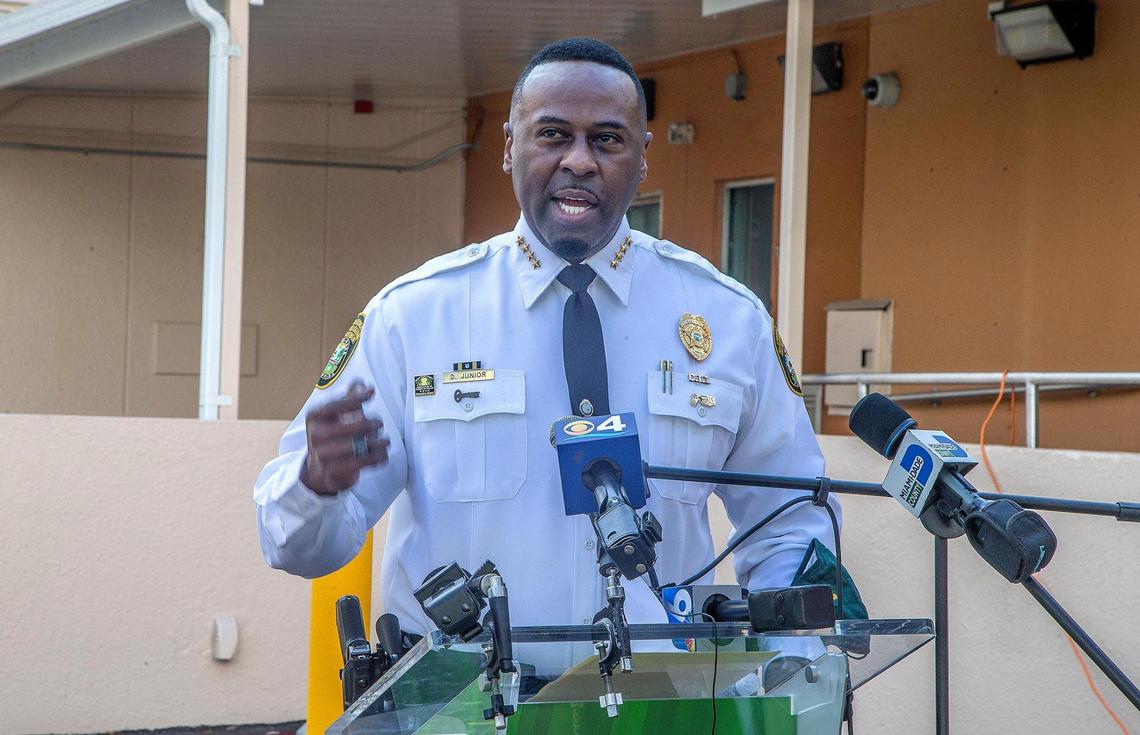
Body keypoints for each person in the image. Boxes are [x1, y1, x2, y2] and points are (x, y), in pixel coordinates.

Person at [253, 37, 839, 637]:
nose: (579, 161)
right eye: (553, 134)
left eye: (607, 139)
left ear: (643, 157)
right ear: (509, 148)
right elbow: (299, 550)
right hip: (466, 713)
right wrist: (316, 489)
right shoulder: (415, 317)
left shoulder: (727, 320)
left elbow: (791, 523)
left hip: (657, 703)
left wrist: (787, 663)